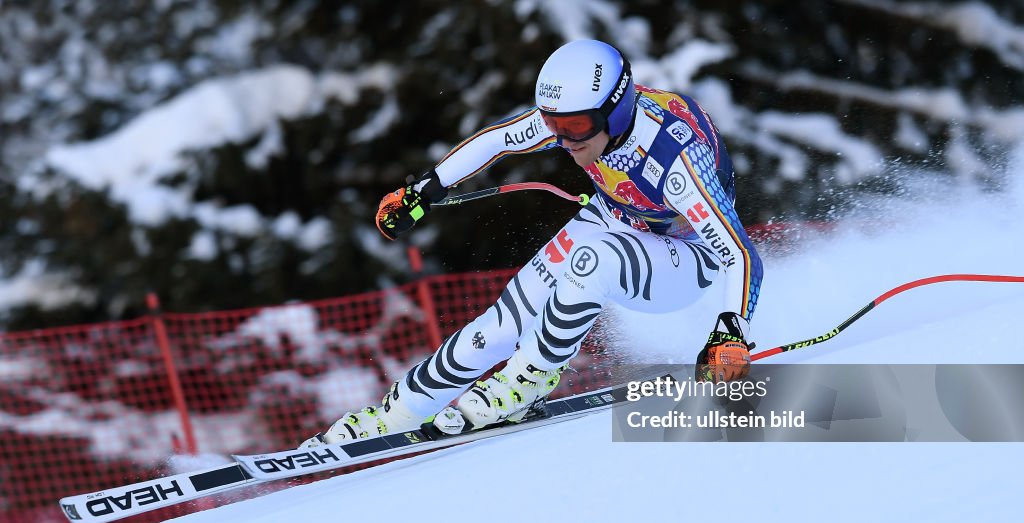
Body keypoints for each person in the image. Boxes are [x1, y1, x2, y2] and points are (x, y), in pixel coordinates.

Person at [302, 39, 763, 446]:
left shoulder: (674, 158)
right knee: (501, 323)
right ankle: (395, 412)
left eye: (576, 127)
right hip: (619, 217)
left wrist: (729, 332)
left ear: (615, 111)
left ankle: (529, 378)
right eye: (553, 124)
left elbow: (741, 254)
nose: (563, 139)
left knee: (593, 259)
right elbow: (498, 141)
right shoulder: (576, 121)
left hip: (688, 257)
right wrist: (424, 190)